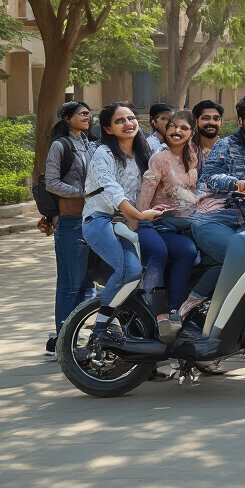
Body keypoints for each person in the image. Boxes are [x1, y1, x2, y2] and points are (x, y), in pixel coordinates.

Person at [180, 95, 245, 319]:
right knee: (242, 256)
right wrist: (234, 183)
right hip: (214, 218)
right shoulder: (225, 145)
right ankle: (189, 306)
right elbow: (208, 178)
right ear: (240, 122)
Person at [81, 103, 165, 348]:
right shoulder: (103, 154)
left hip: (130, 222)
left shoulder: (146, 151)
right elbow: (113, 192)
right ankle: (99, 332)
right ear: (107, 128)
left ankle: (139, 338)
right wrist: (139, 216)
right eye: (120, 121)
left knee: (144, 280)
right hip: (100, 220)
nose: (129, 123)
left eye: (131, 118)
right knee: (130, 270)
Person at [134, 110, 200, 334]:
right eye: (173, 126)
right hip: (154, 223)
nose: (177, 131)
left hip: (180, 225)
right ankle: (148, 310)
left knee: (188, 251)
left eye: (183, 128)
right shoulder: (160, 158)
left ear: (192, 132)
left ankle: (176, 312)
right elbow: (144, 197)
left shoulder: (192, 156)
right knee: (159, 252)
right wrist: (140, 220)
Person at [42, 101, 95, 356]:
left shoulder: (88, 143)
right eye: (82, 113)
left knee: (87, 284)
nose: (88, 116)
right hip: (70, 222)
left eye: (89, 113)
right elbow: (51, 182)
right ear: (67, 118)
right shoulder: (59, 145)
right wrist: (81, 194)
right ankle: (62, 342)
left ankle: (72, 336)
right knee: (70, 283)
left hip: (90, 220)